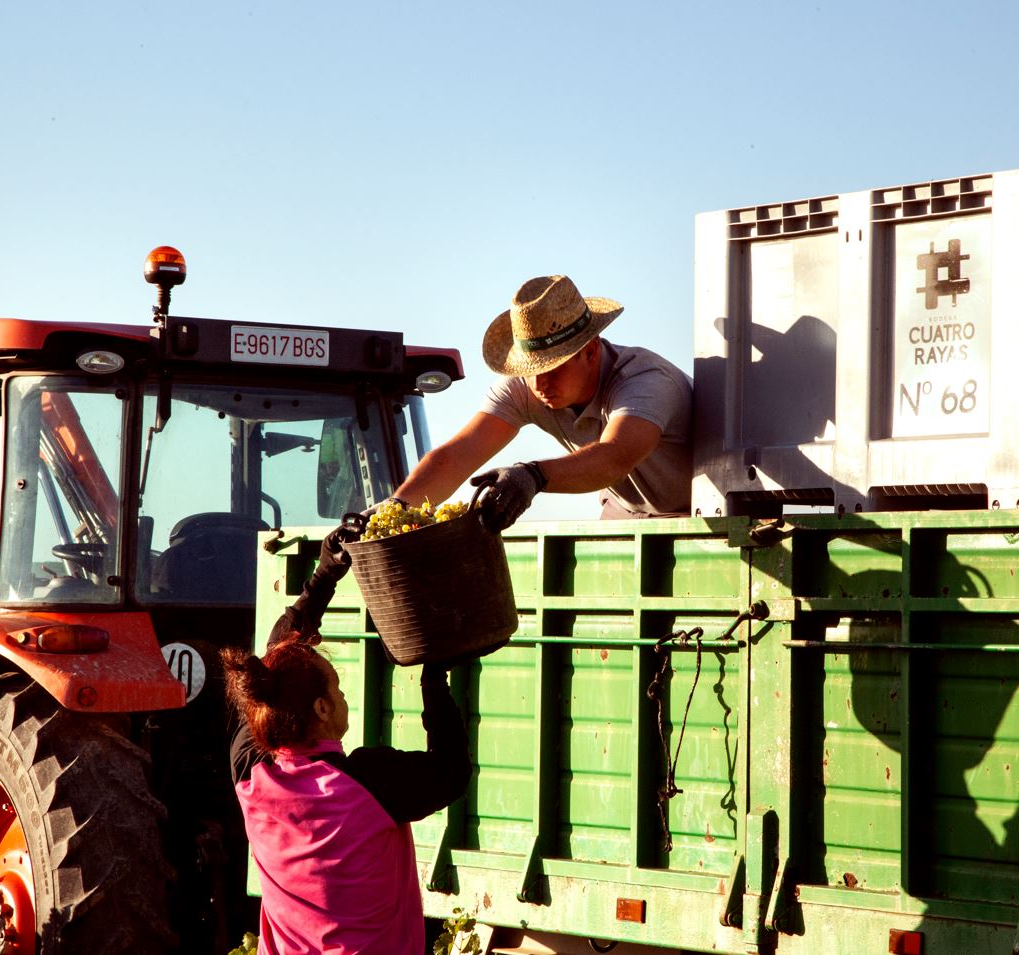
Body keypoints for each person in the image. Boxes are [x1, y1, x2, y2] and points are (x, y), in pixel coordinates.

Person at [223, 534, 469, 955]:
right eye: (337, 688)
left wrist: (323, 577)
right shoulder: (372, 783)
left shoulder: (250, 776)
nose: (344, 697)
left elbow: (272, 668)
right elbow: (452, 772)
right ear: (321, 708)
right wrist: (434, 678)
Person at [386, 274, 693, 530]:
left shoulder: (644, 380)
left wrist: (533, 475)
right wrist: (391, 510)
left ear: (590, 351)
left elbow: (616, 456)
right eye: (529, 370)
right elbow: (457, 456)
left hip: (699, 516)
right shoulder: (527, 385)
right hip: (625, 513)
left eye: (552, 368)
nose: (538, 383)